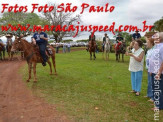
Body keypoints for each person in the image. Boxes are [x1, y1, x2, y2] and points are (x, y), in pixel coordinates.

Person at [148, 32, 163, 110]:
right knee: (155, 87)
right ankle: (157, 103)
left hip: (158, 72)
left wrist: (159, 72)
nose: (153, 37)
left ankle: (159, 106)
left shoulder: (162, 47)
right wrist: (151, 70)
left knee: (158, 88)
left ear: (159, 39)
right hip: (153, 71)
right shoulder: (157, 47)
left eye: (155, 36)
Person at [144, 38, 155, 102]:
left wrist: (151, 69)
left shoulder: (154, 50)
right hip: (148, 69)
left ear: (151, 43)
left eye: (147, 43)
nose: (146, 44)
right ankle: (149, 94)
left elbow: (153, 61)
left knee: (152, 83)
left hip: (152, 69)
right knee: (149, 82)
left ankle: (153, 97)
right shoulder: (149, 50)